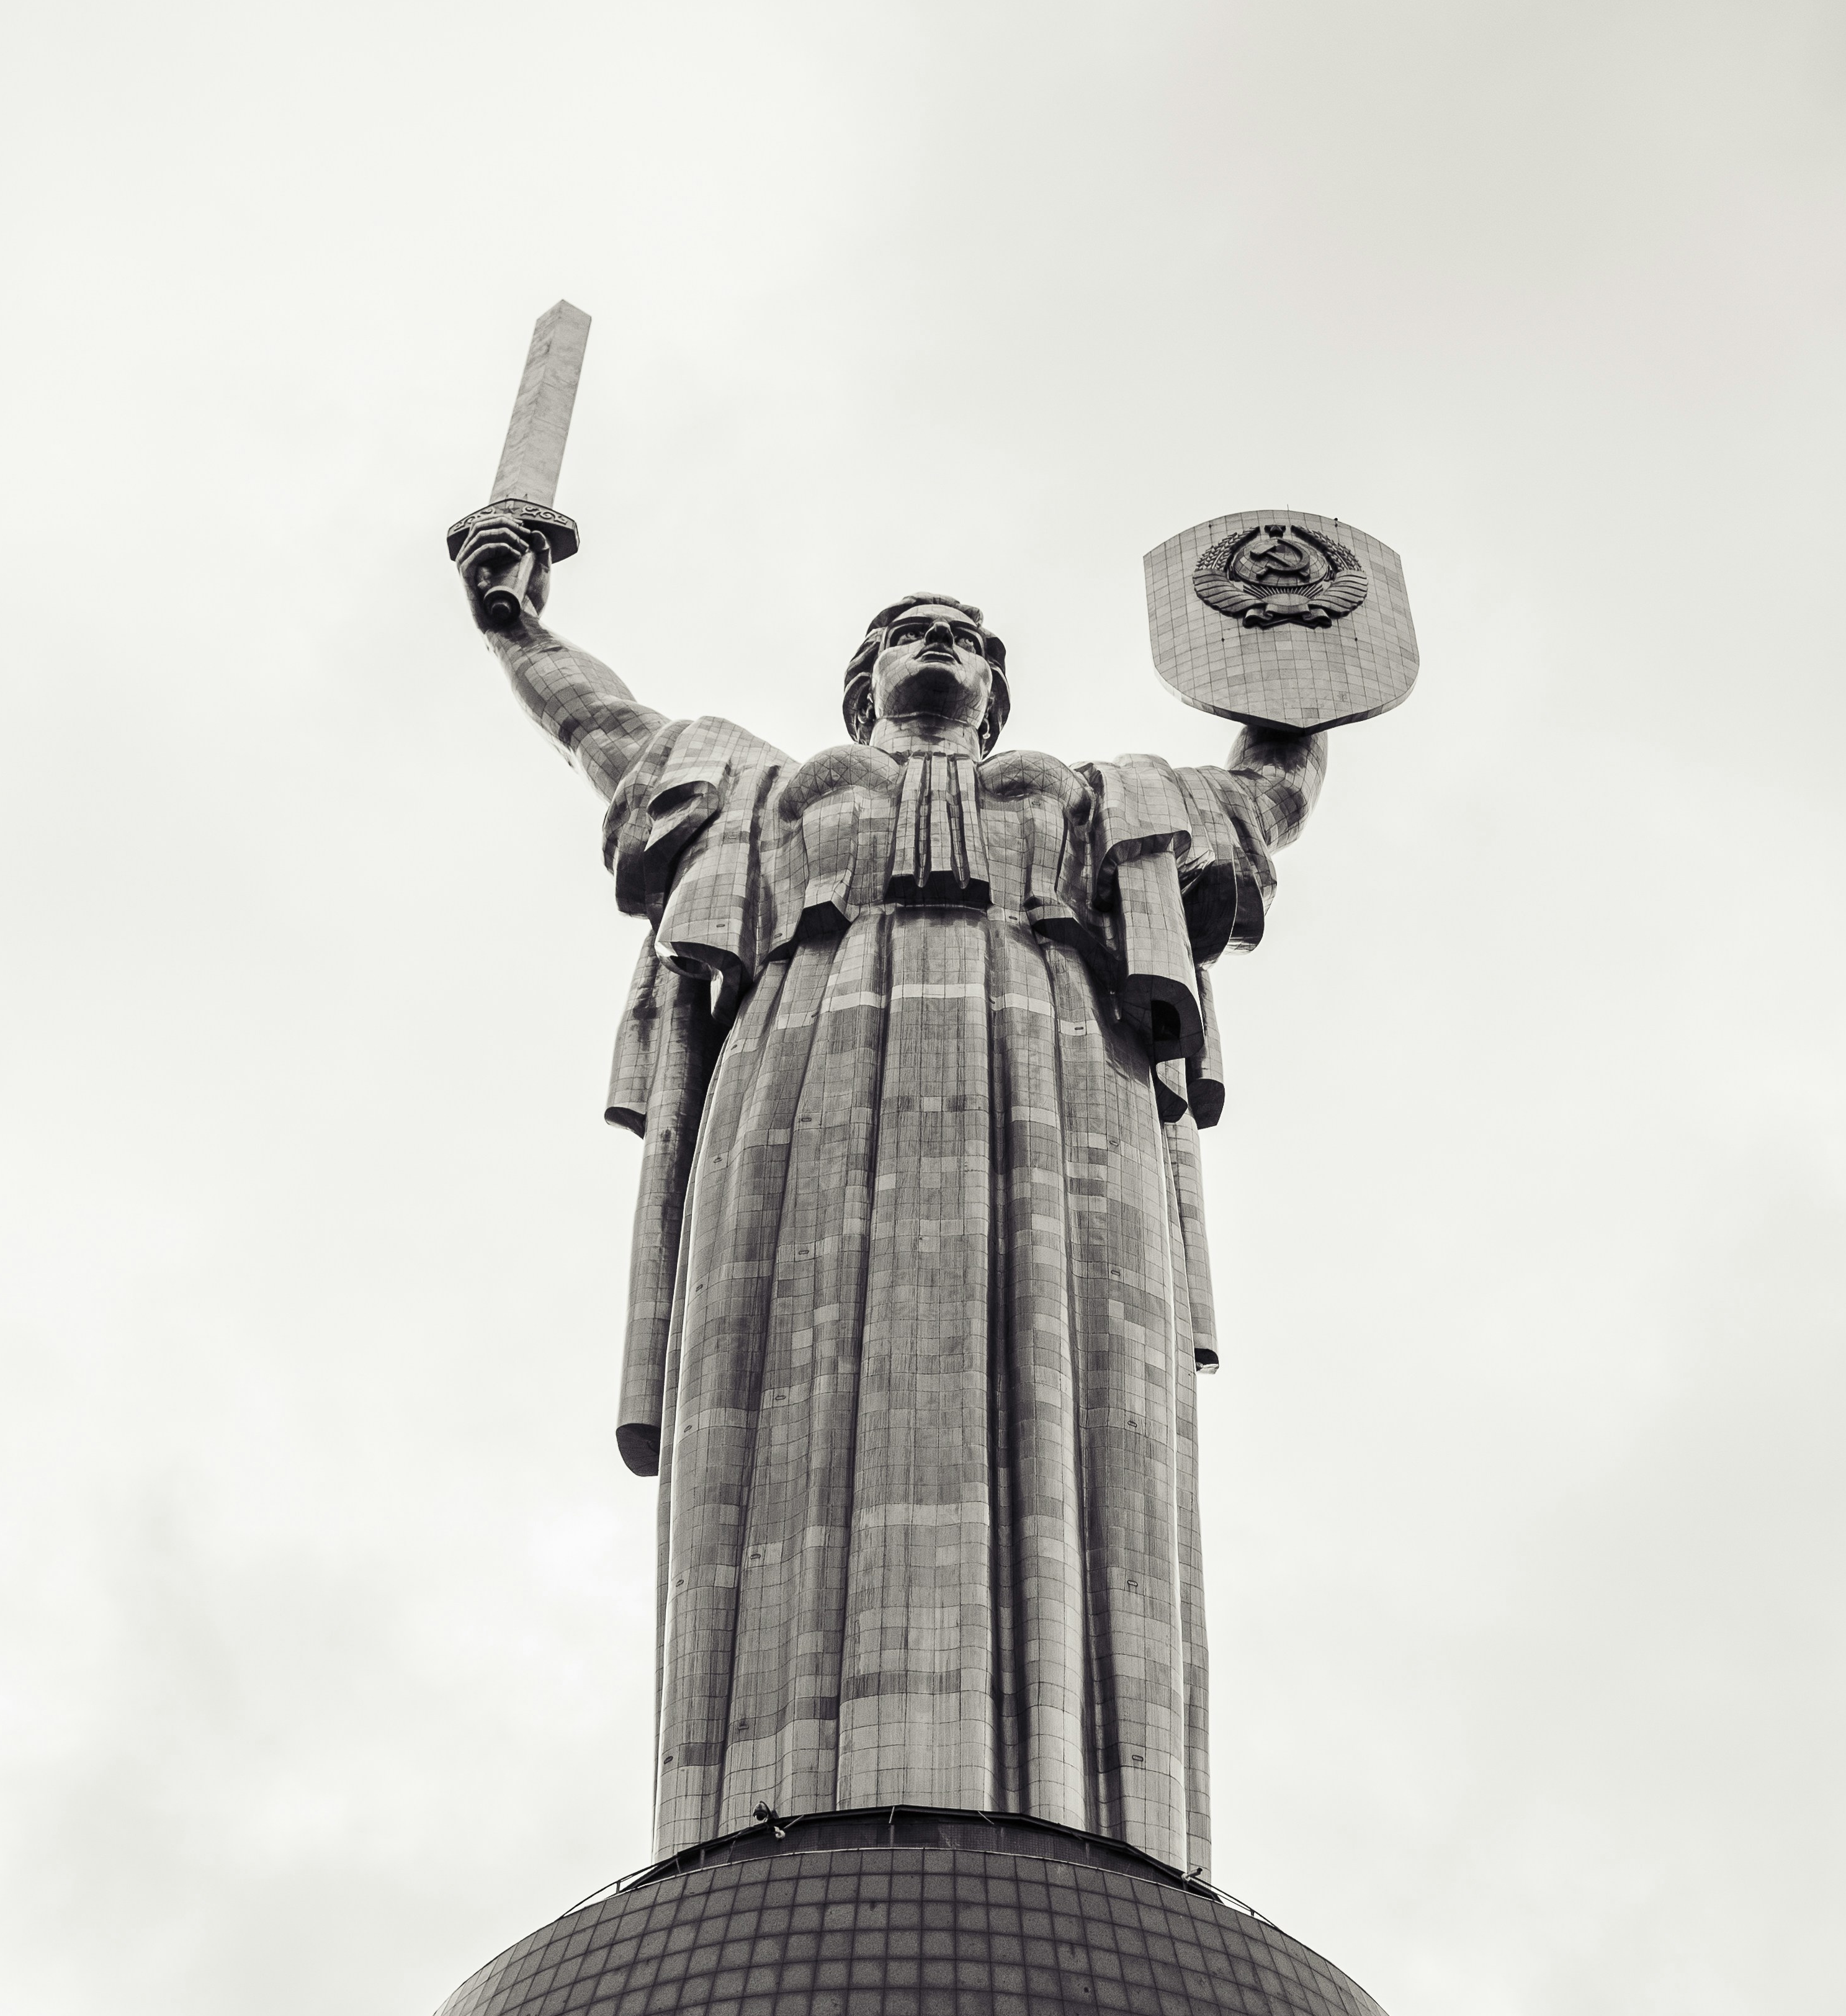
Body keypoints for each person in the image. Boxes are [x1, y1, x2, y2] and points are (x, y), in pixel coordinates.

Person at [454, 509, 1328, 1871]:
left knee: (1079, 1378)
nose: (938, 649)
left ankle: (1093, 1818)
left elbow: (1257, 811)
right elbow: (608, 732)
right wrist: (518, 626)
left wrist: (1296, 692)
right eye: (907, 636)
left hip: (1056, 1065)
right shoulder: (765, 790)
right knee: (784, 1382)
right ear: (859, 690)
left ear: (994, 692)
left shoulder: (1095, 795)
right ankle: (764, 1816)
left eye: (965, 641)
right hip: (809, 1066)